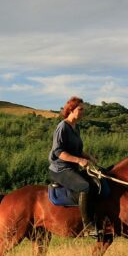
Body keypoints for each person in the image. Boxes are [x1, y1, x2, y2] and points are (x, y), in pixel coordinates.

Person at [48, 96, 98, 237]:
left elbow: (77, 149)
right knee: (85, 186)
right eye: (80, 109)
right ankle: (88, 226)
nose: (83, 112)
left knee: (95, 182)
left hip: (72, 168)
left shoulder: (76, 127)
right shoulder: (62, 127)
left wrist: (88, 157)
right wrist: (79, 160)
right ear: (71, 109)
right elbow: (58, 152)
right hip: (60, 169)